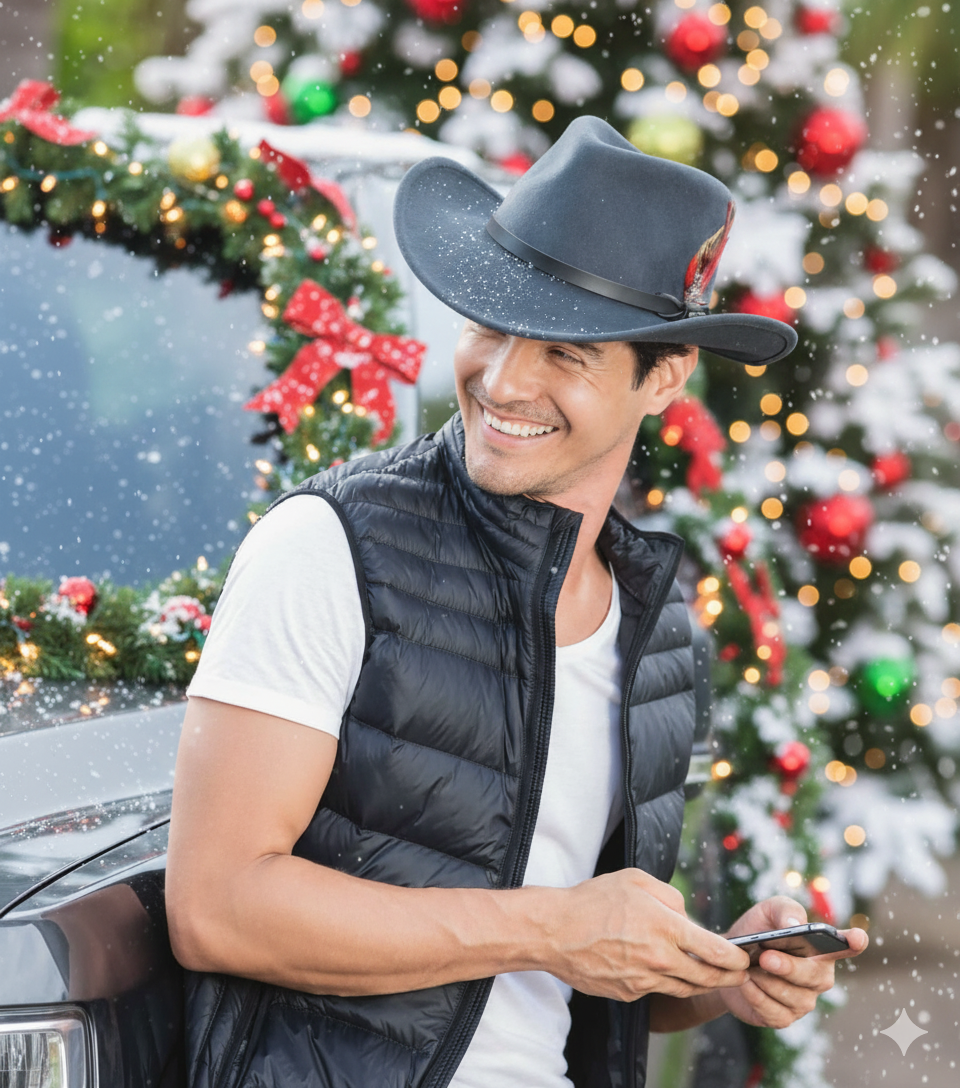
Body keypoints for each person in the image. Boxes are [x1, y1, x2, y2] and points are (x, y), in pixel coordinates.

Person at [167, 117, 867, 1088]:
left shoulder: (658, 627)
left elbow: (572, 973)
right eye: (490, 321)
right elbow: (215, 906)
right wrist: (555, 922)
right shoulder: (327, 547)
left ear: (662, 376)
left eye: (565, 353)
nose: (502, 378)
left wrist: (718, 975)